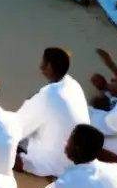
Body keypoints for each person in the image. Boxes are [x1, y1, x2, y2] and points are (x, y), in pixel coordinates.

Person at [15, 47, 91, 178]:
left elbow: (17, 128)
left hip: (52, 164)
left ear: (49, 67)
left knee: (6, 146)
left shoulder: (47, 96)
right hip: (76, 160)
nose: (40, 66)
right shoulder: (74, 86)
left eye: (43, 63)